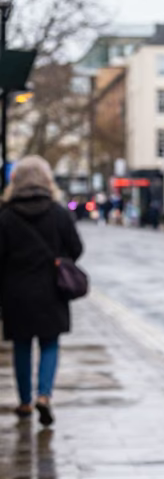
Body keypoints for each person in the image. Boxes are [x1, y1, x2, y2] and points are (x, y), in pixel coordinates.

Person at [0, 156, 84, 426]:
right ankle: (44, 396)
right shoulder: (58, 213)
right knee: (49, 343)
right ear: (47, 180)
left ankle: (25, 401)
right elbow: (77, 248)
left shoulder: (6, 215)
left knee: (21, 345)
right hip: (51, 289)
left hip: (15, 291)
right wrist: (60, 258)